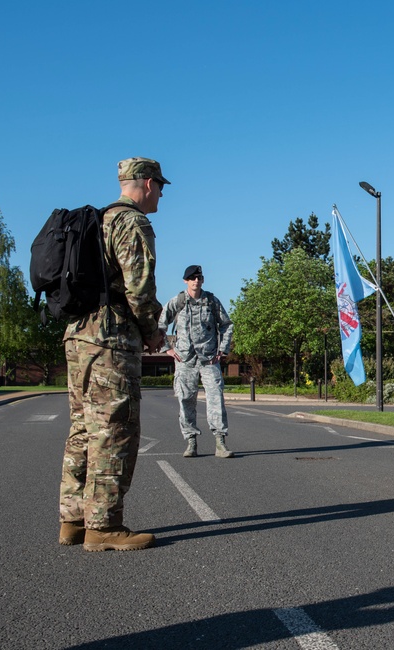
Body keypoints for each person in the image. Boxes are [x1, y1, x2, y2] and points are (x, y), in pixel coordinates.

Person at [58, 157, 166, 552]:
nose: (161, 195)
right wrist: (152, 331)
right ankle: (103, 526)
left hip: (78, 336)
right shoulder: (132, 223)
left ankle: (72, 519)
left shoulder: (96, 220)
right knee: (114, 431)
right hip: (110, 340)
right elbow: (139, 288)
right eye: (161, 187)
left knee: (83, 429)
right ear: (149, 183)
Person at [159, 265, 235, 459]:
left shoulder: (211, 301)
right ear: (186, 280)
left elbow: (226, 324)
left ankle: (220, 442)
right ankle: (191, 441)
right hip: (185, 359)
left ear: (202, 280)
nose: (196, 281)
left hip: (209, 358)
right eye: (192, 278)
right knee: (185, 400)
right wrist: (166, 348)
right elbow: (160, 324)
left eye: (199, 277)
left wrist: (222, 350)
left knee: (216, 398)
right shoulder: (178, 301)